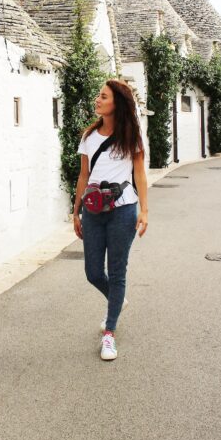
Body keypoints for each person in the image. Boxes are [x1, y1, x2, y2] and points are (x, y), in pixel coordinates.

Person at [73, 79, 148, 361]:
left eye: (103, 96)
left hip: (122, 209)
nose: (97, 99)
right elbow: (83, 175)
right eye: (98, 96)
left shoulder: (131, 135)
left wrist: (145, 210)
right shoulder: (89, 137)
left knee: (117, 272)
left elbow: (139, 174)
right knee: (93, 273)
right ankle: (117, 300)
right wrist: (76, 210)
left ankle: (109, 333)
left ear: (117, 102)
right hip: (92, 211)